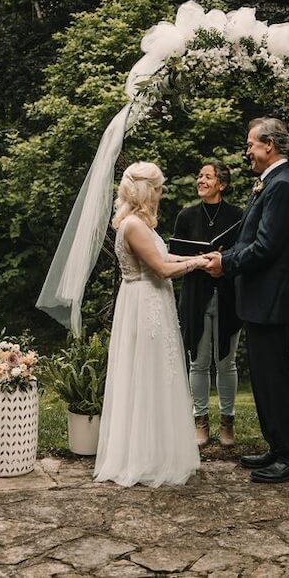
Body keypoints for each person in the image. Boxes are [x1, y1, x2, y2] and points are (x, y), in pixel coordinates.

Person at [204, 117, 289, 483]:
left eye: (250, 144)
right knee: (264, 379)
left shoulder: (284, 185)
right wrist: (225, 255)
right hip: (261, 297)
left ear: (269, 145)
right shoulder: (272, 183)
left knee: (273, 379)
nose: (246, 151)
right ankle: (277, 448)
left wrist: (226, 264)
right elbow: (250, 239)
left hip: (272, 297)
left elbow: (266, 247)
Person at [93, 161, 206, 487]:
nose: (160, 193)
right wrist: (199, 264)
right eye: (157, 188)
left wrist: (198, 257)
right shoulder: (134, 226)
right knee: (147, 375)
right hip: (145, 305)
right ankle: (144, 458)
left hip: (148, 300)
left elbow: (166, 258)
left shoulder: (136, 223)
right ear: (147, 190)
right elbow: (162, 269)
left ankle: (155, 453)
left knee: (156, 375)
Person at [173, 160, 243, 447]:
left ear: (221, 185)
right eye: (200, 176)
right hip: (195, 296)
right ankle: (200, 421)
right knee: (198, 362)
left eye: (207, 177)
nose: (200, 180)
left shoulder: (238, 216)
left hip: (228, 295)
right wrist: (198, 260)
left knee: (226, 362)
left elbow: (245, 252)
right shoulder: (186, 216)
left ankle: (227, 422)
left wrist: (224, 261)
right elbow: (174, 255)